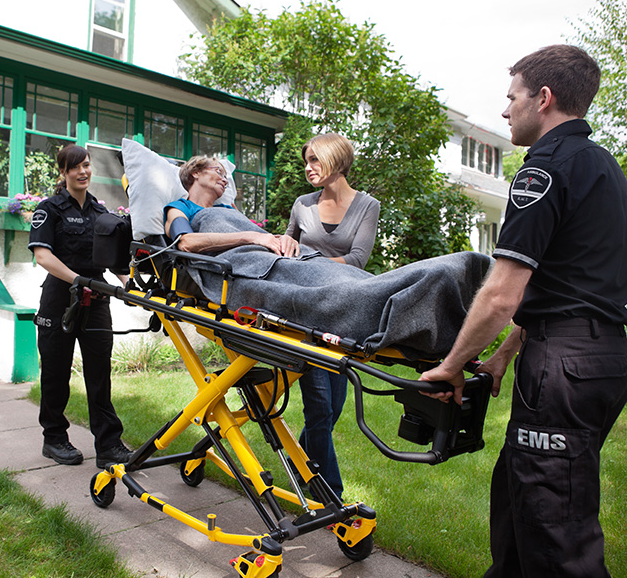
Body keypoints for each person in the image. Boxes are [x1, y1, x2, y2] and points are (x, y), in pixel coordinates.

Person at [419, 45, 627, 578]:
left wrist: (450, 366)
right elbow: (564, 281)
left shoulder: (545, 169)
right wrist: (501, 357)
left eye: (511, 96)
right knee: (519, 500)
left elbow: (502, 294)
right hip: (604, 357)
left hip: (563, 370)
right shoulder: (604, 167)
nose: (503, 110)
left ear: (543, 98)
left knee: (557, 535)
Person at [284, 133, 380, 499]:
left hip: (342, 314)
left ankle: (296, 467)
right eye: (306, 161)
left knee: (332, 410)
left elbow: (358, 260)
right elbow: (285, 248)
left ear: (336, 160)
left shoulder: (367, 205)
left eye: (314, 160)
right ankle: (330, 496)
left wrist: (308, 262)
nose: (308, 168)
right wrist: (287, 242)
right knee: (320, 409)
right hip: (304, 314)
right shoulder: (302, 205)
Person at [28, 144, 132, 468]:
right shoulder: (50, 209)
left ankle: (109, 445)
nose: (83, 171)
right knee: (56, 372)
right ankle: (54, 438)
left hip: (96, 299)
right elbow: (42, 255)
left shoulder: (101, 213)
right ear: (64, 172)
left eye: (86, 165)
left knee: (100, 373)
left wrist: (128, 281)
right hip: (60, 298)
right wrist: (77, 280)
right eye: (76, 167)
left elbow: (114, 258)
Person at [164, 155, 300, 257]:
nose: (224, 180)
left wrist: (283, 239)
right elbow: (185, 242)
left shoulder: (228, 209)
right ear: (196, 172)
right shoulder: (180, 208)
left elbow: (261, 236)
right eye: (218, 172)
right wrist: (250, 237)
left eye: (225, 177)